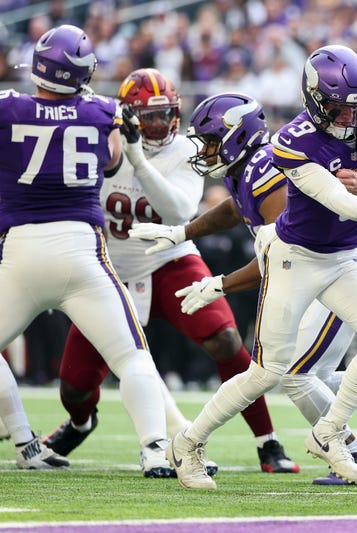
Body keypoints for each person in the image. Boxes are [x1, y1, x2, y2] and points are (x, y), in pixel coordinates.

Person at [137, 45, 357, 489]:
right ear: (315, 101)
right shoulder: (292, 142)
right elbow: (336, 200)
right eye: (337, 109)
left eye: (355, 109)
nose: (347, 120)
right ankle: (187, 443)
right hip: (296, 258)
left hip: (350, 253)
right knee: (270, 371)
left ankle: (330, 432)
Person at [41, 68, 299, 475]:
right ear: (127, 115)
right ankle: (79, 423)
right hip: (109, 270)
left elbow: (179, 211)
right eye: (148, 116)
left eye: (165, 114)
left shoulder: (183, 150)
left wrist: (139, 160)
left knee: (226, 339)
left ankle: (267, 440)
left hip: (170, 261)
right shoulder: (101, 143)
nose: (159, 124)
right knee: (74, 384)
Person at [0, 24, 170, 473]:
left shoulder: (7, 108)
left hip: (20, 251)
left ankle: (24, 441)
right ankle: (155, 449)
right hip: (81, 251)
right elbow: (113, 159)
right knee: (131, 356)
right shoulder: (101, 111)